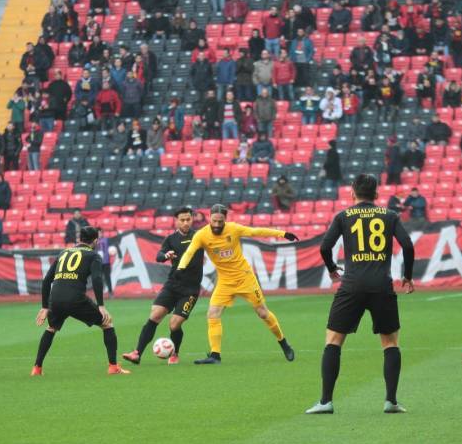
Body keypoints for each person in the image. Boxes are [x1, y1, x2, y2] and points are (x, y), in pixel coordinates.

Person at [306, 174, 415, 415]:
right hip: (381, 286)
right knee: (390, 343)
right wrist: (407, 276)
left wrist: (333, 269)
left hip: (352, 285)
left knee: (334, 340)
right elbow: (407, 245)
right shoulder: (390, 215)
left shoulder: (343, 216)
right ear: (376, 195)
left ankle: (326, 402)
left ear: (352, 193)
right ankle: (391, 401)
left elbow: (325, 247)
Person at [176, 204, 298, 364]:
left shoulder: (233, 229)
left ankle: (284, 343)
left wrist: (282, 233)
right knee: (212, 314)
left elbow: (256, 232)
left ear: (225, 220)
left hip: (244, 278)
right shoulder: (202, 235)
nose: (217, 225)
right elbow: (190, 252)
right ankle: (215, 355)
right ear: (210, 218)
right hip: (225, 282)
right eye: (214, 221)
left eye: (221, 222)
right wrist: (180, 267)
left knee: (262, 313)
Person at [31, 226, 129, 376]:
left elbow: (46, 280)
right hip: (75, 299)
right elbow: (97, 279)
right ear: (95, 240)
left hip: (55, 298)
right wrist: (101, 305)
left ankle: (37, 368)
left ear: (79, 239)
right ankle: (113, 367)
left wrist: (45, 306)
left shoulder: (63, 253)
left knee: (51, 328)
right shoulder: (93, 255)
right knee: (107, 324)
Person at [123, 208, 205, 366]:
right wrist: (166, 255)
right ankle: (137, 353)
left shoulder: (199, 236)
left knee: (174, 324)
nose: (186, 222)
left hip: (190, 290)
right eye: (182, 220)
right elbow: (159, 255)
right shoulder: (170, 239)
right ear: (176, 221)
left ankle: (175, 353)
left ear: (192, 219)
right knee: (155, 315)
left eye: (188, 219)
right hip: (172, 285)